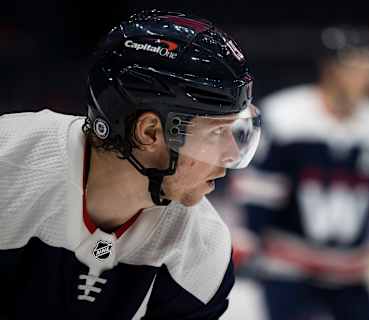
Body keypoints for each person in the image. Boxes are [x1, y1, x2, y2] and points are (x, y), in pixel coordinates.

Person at [0, 10, 261, 319]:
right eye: (217, 132)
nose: (230, 155)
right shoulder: (8, 161)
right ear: (149, 132)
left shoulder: (203, 247)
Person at [230, 25, 369, 320]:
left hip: (352, 270)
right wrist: (247, 237)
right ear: (330, 68)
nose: (368, 76)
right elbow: (260, 191)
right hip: (288, 267)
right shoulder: (286, 116)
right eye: (357, 65)